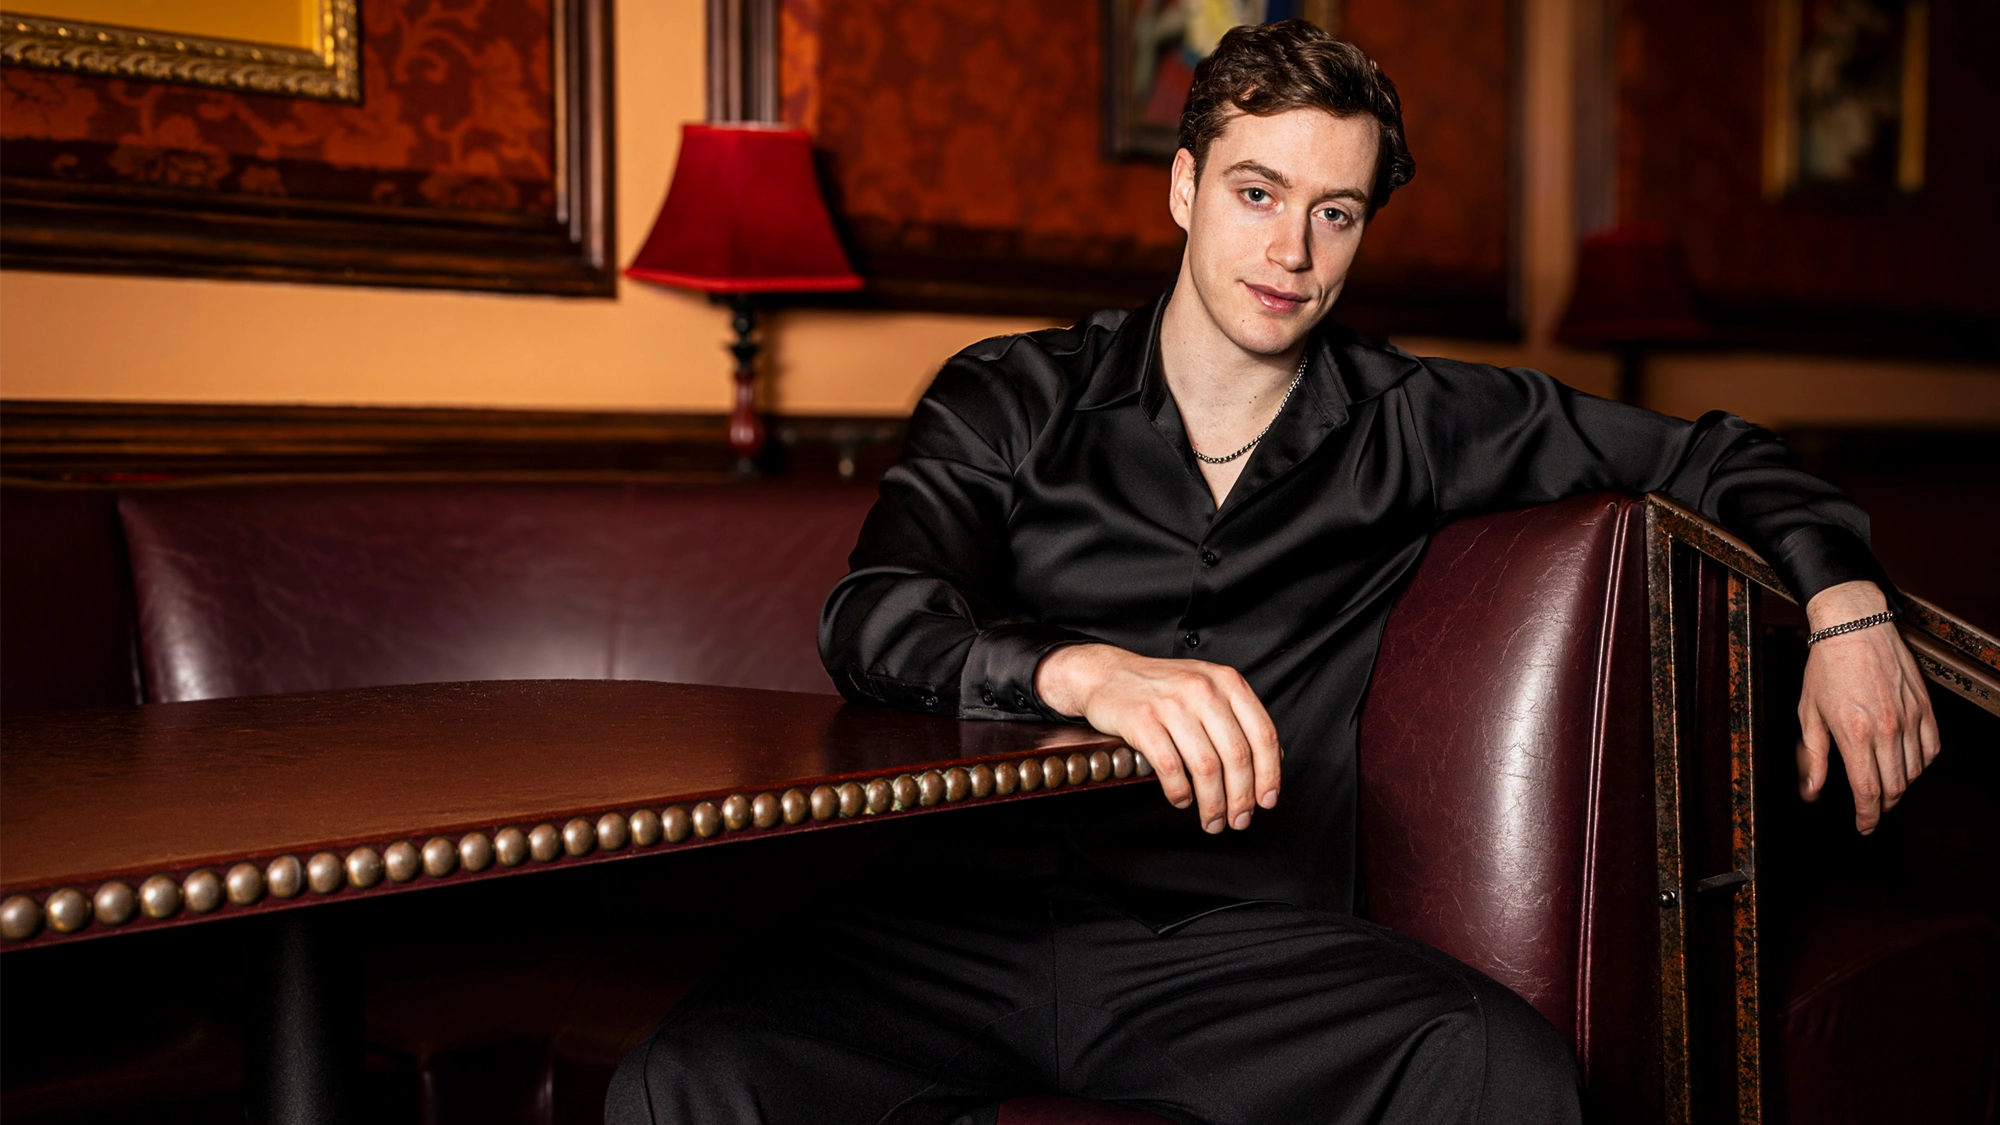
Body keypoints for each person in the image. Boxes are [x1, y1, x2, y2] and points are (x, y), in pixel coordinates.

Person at [608, 20, 1939, 1125]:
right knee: (685, 1078)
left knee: (1500, 1073)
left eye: (1335, 212)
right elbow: (872, 617)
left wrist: (1845, 604)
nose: (1291, 252)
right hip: (963, 927)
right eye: (1257, 194)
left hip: (1240, 952)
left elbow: (1720, 454)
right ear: (1185, 187)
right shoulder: (1010, 393)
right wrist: (1081, 671)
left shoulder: (1416, 419)